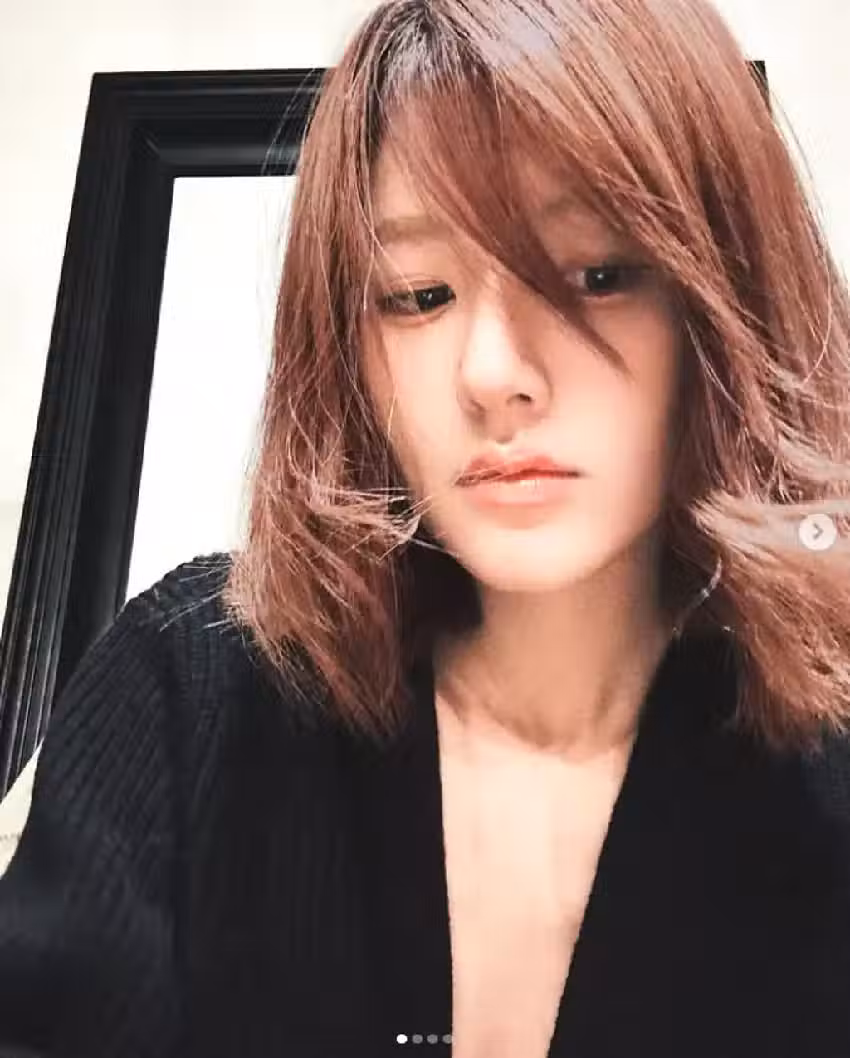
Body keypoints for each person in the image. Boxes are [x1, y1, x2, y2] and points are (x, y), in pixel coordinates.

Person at [2, 0, 850, 1054]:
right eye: (416, 294)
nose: (492, 373)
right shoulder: (191, 684)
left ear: (723, 308)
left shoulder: (823, 774)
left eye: (595, 275)